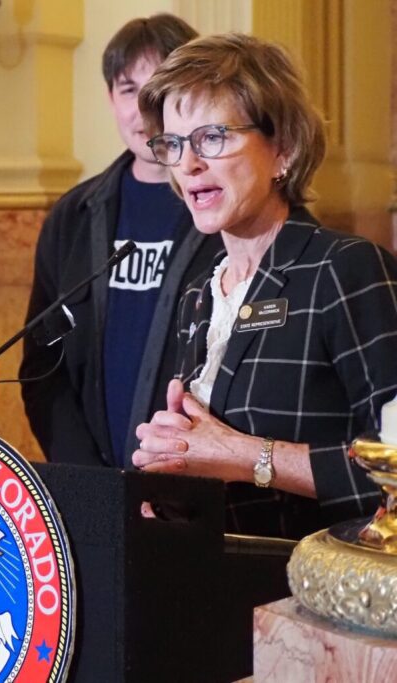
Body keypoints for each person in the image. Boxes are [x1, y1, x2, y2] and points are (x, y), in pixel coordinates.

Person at [131, 33, 397, 539]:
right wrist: (169, 487)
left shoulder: (342, 270)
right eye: (174, 144)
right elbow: (210, 463)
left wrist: (247, 457)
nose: (188, 164)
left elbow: (396, 463)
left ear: (283, 150)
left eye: (212, 138)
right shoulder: (200, 294)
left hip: (313, 581)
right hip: (212, 578)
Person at [19, 15, 221, 470]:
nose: (143, 107)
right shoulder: (71, 218)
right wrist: (89, 482)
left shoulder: (223, 212)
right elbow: (42, 369)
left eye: (160, 86)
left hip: (195, 480)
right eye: (129, 90)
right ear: (111, 98)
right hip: (91, 480)